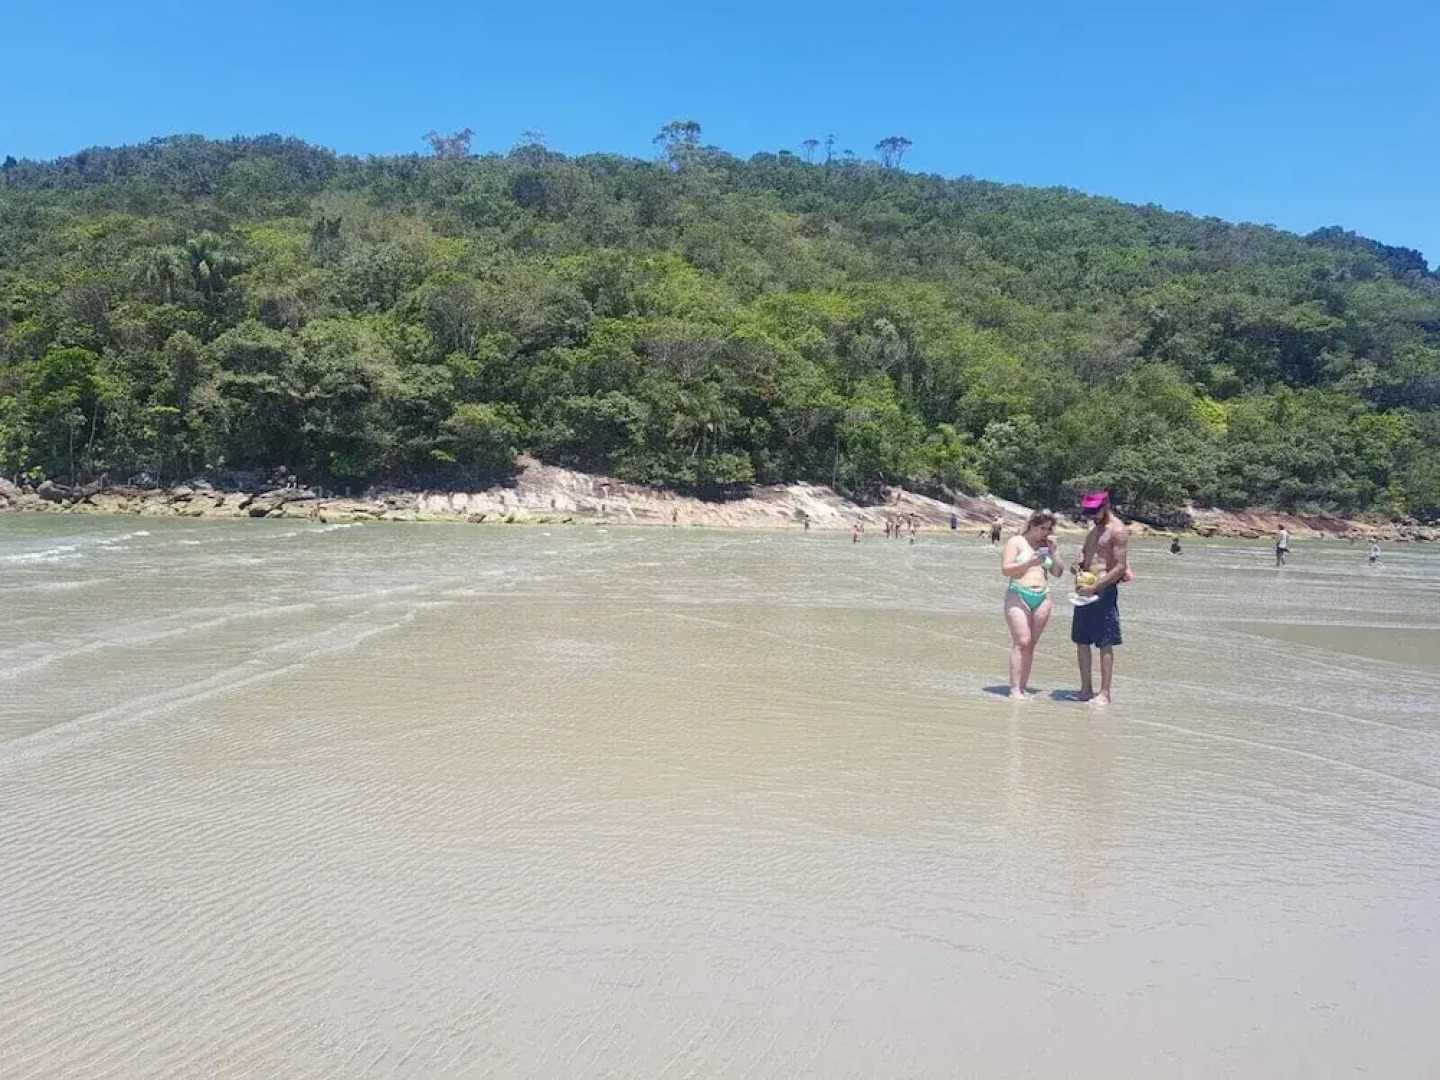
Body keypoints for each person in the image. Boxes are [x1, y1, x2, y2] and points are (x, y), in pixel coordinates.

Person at [1001, 510, 1065, 700]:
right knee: (1022, 641)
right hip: (1018, 593)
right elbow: (1006, 569)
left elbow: (1058, 572)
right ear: (1032, 526)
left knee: (1030, 645)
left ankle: (1023, 687)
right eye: (1042, 528)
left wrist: (1055, 553)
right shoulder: (1017, 542)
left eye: (1048, 529)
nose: (1045, 533)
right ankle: (1014, 689)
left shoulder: (1047, 545)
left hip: (1042, 596)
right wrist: (1030, 562)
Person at [1072, 491, 1128, 706]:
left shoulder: (1117, 530)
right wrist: (1077, 564)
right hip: (1084, 589)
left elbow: (1120, 566)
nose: (1091, 516)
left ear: (1106, 507)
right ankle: (1086, 689)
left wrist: (1096, 587)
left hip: (1103, 590)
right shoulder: (1093, 528)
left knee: (1104, 642)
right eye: (1088, 513)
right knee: (1081, 640)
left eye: (1094, 512)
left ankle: (1104, 693)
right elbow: (1085, 553)